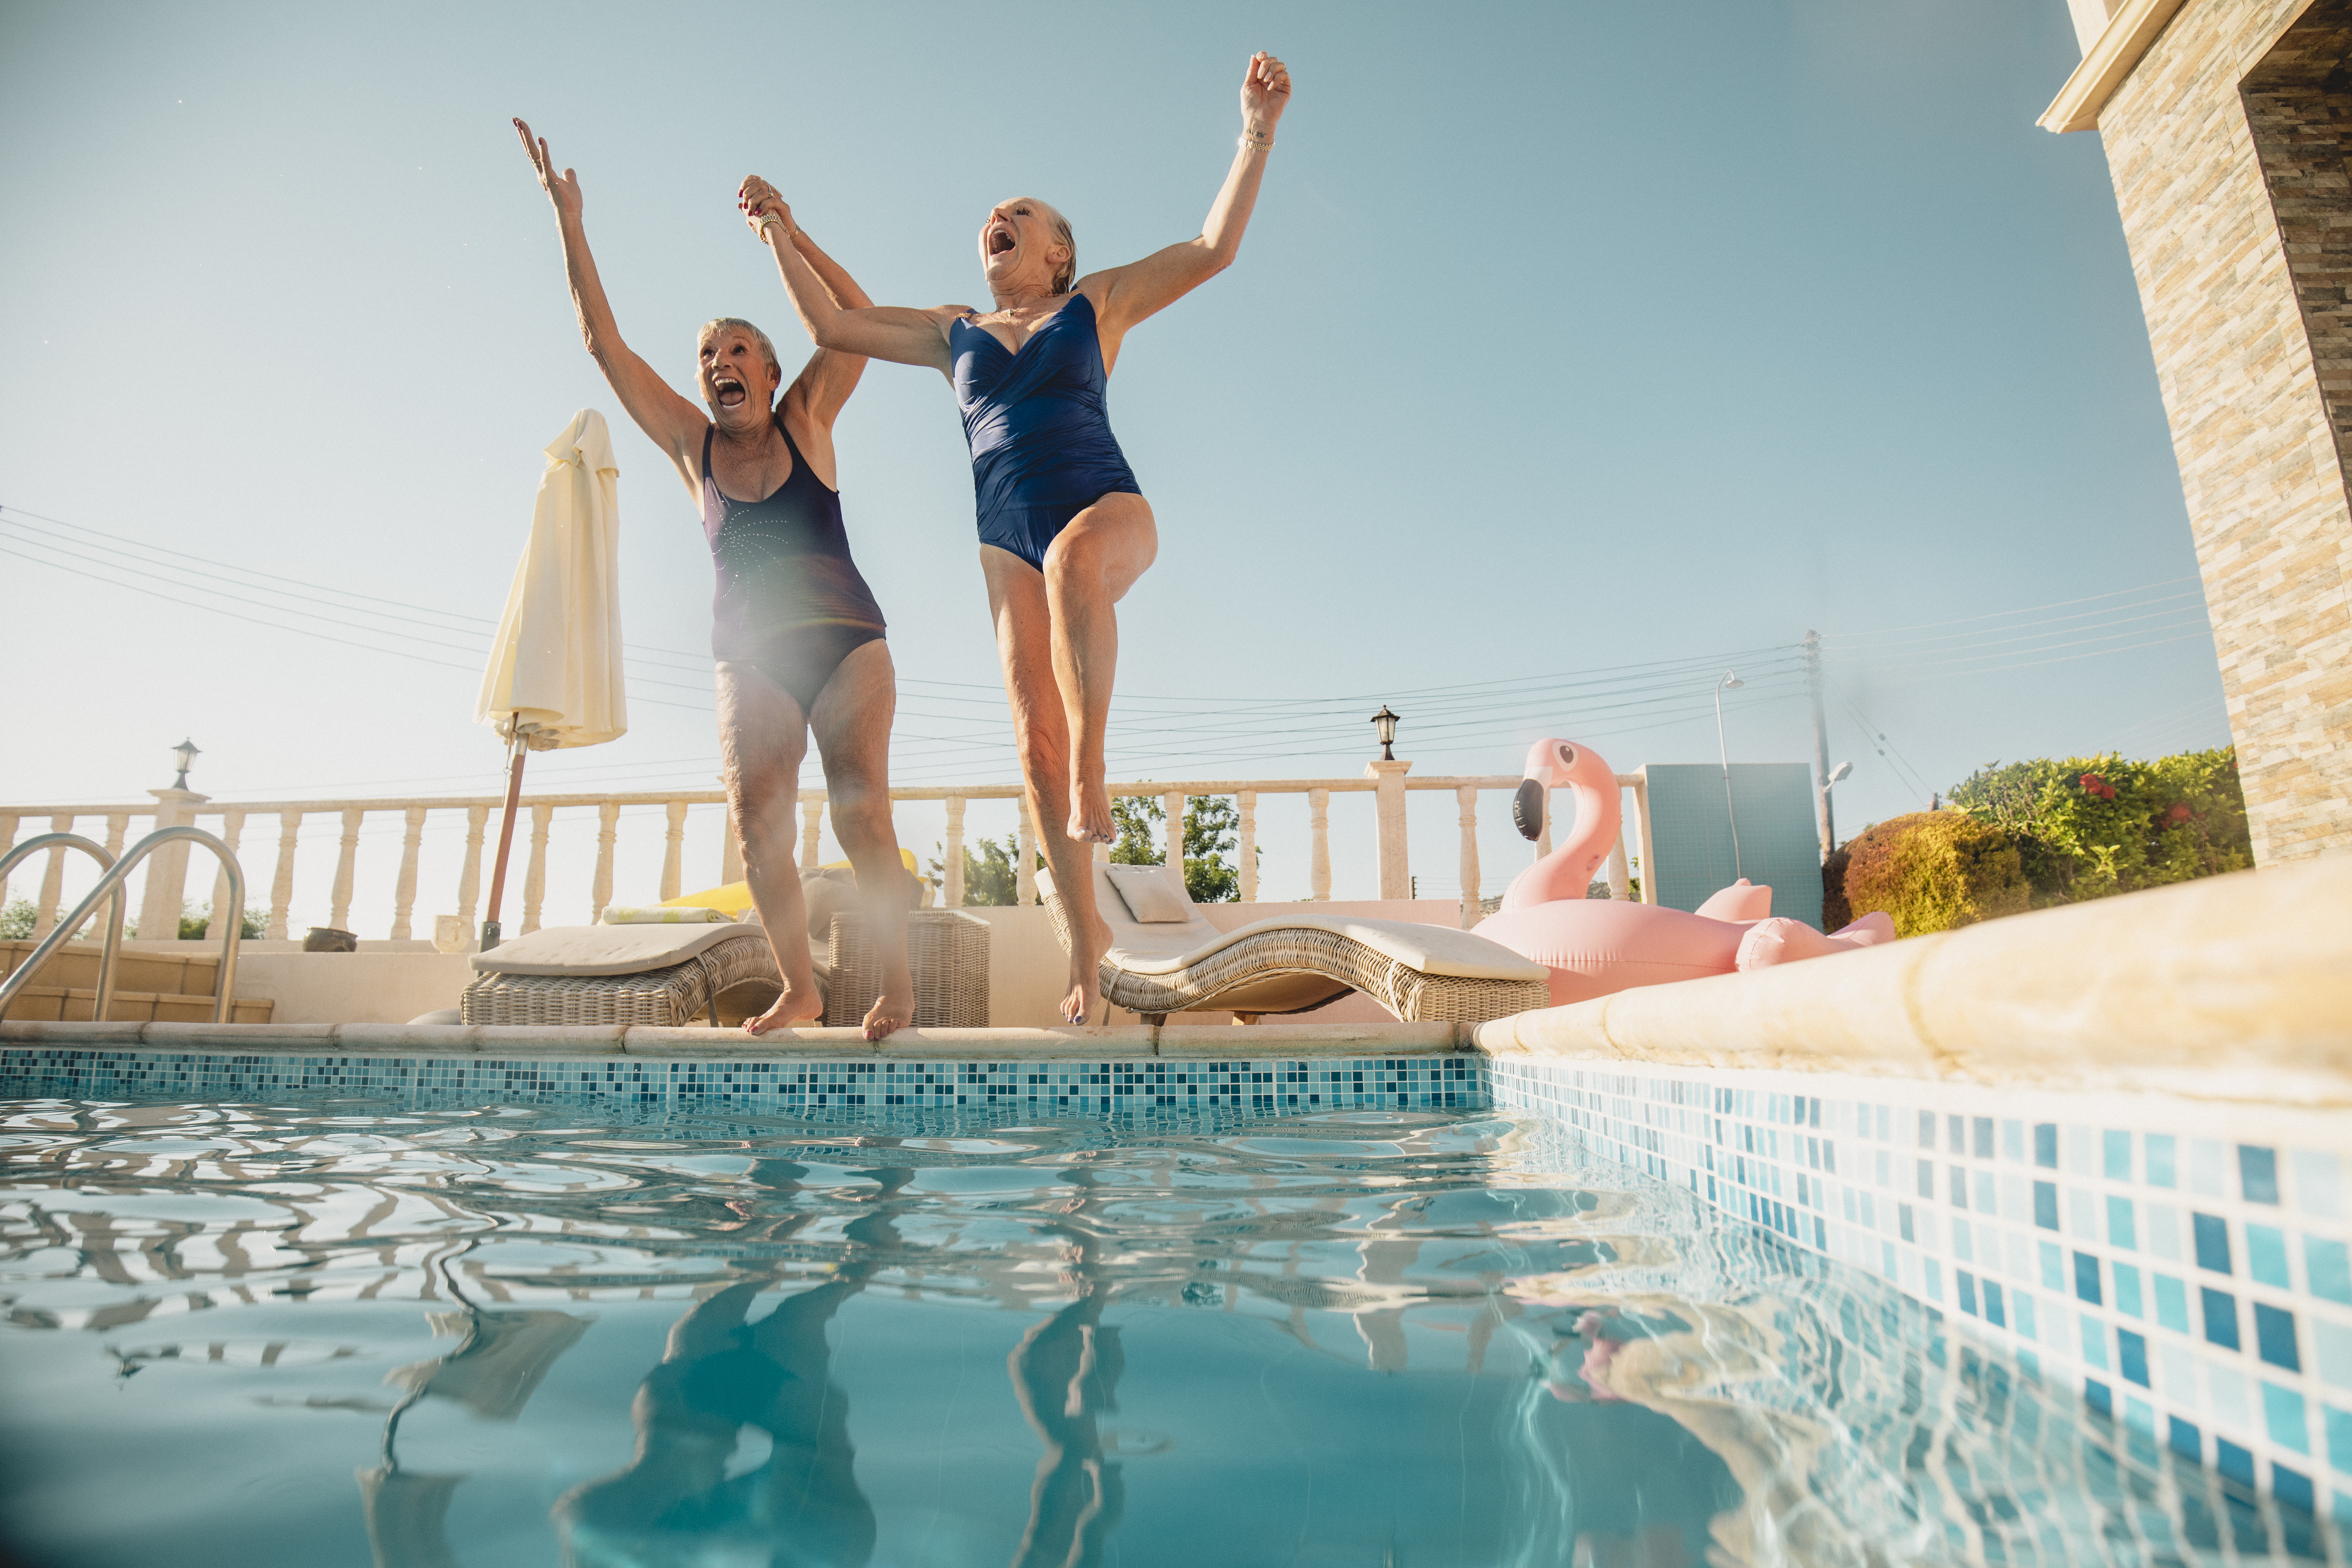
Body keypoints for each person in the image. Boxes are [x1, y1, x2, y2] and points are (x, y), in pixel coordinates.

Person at [738, 50, 1293, 1024]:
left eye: (1021, 213)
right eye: (993, 216)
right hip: (1003, 535)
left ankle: (1096, 769)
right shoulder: (952, 327)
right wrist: (782, 230)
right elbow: (833, 319)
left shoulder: (1098, 302)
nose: (999, 217)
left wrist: (1256, 128)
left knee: (1078, 571)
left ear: (1059, 254)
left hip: (1104, 503)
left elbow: (1213, 249)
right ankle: (1088, 946)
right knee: (1029, 737)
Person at [514, 118, 913, 1039]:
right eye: (708, 356)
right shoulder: (692, 447)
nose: (720, 364)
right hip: (754, 655)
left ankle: (897, 987)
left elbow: (857, 318)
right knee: (756, 813)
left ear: (771, 373)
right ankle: (802, 987)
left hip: (848, 643)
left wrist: (788, 231)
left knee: (860, 809)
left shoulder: (809, 417)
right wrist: (568, 217)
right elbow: (603, 343)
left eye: (738, 351)